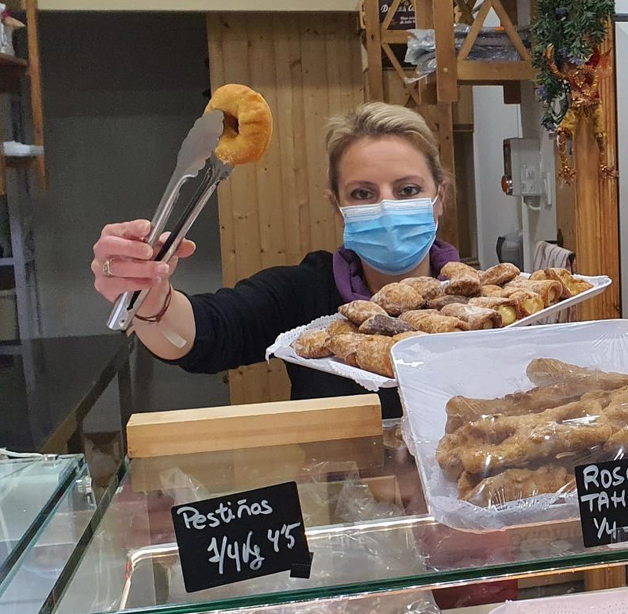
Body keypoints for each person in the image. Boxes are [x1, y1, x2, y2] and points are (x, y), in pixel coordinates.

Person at [92, 101, 458, 411]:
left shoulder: (493, 308)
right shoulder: (302, 294)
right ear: (337, 206)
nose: (386, 208)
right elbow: (206, 332)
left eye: (408, 189)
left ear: (439, 198)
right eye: (362, 194)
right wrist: (152, 298)